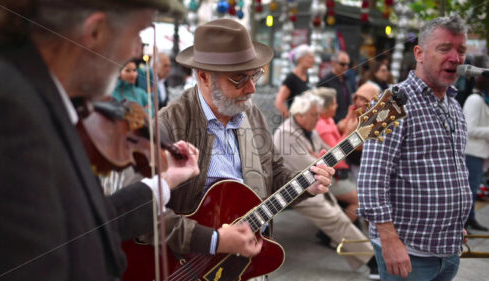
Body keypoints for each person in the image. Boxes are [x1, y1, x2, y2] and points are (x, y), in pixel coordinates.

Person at [0, 1, 201, 280]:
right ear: (96, 31)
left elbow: (86, 225)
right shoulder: (9, 111)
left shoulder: (37, 97)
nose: (137, 52)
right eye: (138, 33)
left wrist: (165, 182)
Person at [158, 18, 334, 266]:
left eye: (255, 75)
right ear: (204, 76)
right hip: (185, 265)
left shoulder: (250, 113)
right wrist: (213, 239)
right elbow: (140, 211)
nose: (251, 88)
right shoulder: (168, 124)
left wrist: (308, 184)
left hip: (245, 262)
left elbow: (273, 174)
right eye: (239, 78)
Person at [357, 14, 471, 280]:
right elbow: (371, 180)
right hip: (408, 253)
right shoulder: (389, 103)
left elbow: (450, 170)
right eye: (444, 49)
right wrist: (389, 241)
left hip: (447, 248)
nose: (455, 58)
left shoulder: (453, 104)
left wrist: (454, 223)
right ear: (419, 53)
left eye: (461, 50)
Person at [273, 92, 379, 279]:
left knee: (339, 214)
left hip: (309, 186)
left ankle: (366, 256)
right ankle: (370, 260)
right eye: (314, 115)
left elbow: (329, 155)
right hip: (291, 190)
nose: (317, 118)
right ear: (300, 116)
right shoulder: (285, 134)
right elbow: (313, 168)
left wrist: (318, 157)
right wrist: (317, 158)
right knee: (334, 217)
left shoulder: (308, 128)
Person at [313, 88, 360, 224]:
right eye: (334, 104)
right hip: (332, 176)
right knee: (359, 200)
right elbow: (337, 157)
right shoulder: (323, 127)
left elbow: (338, 138)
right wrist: (349, 133)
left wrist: (349, 117)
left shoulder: (328, 120)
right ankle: (339, 234)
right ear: (325, 107)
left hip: (339, 174)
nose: (337, 106)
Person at [464, 73, 489, 231]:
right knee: (470, 188)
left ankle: (470, 218)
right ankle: (466, 220)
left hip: (479, 152)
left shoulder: (482, 99)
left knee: (472, 188)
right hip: (472, 152)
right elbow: (470, 128)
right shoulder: (475, 100)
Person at [274, 44, 314, 118]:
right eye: (310, 57)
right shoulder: (291, 78)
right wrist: (290, 119)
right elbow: (279, 102)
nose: (313, 60)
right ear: (301, 59)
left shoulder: (306, 76)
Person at [317, 51, 353, 124]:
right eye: (342, 64)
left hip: (346, 123)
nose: (346, 67)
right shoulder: (325, 82)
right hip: (332, 124)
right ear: (333, 63)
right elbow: (321, 108)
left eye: (348, 64)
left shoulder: (346, 80)